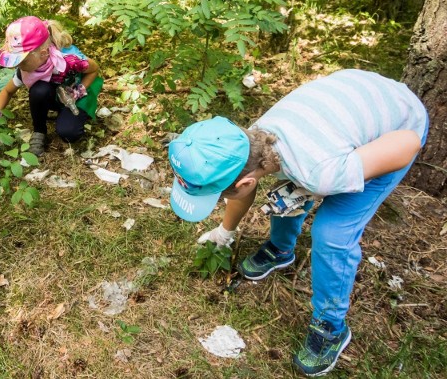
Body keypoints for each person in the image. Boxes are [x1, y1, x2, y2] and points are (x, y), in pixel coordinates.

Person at [168, 69, 428, 376]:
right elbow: (245, 193)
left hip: (398, 128)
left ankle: (331, 325)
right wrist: (225, 231)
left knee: (332, 232)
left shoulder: (320, 172)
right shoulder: (250, 141)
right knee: (291, 190)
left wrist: (344, 172)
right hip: (352, 106)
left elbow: (408, 143)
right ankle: (281, 249)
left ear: (246, 182)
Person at [0, 16, 102, 156]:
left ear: (43, 54)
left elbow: (94, 69)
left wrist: (78, 92)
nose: (18, 66)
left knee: (68, 133)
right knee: (39, 91)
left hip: (77, 96)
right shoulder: (26, 70)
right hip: (56, 95)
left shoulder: (69, 61)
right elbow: (7, 91)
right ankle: (39, 131)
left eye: (22, 61)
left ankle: (73, 115)